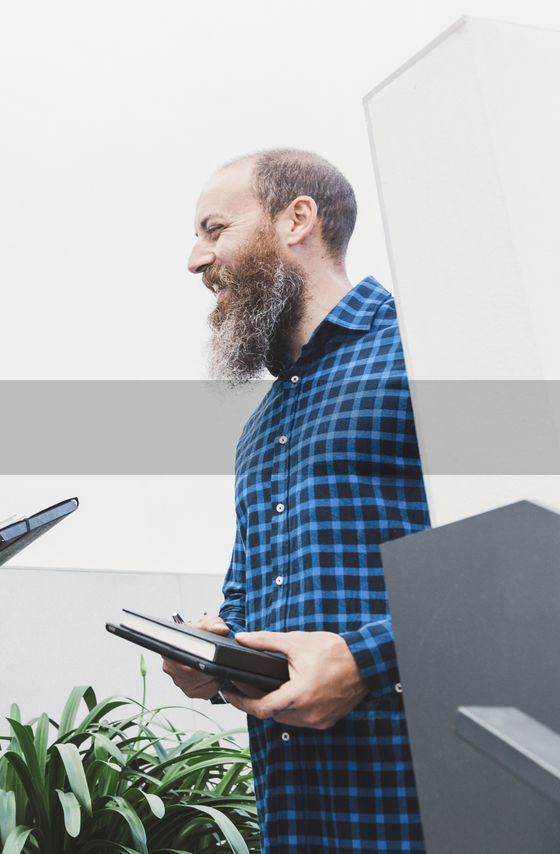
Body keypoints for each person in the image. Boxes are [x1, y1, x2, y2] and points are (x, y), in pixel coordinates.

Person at [164, 149, 431, 852]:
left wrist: (369, 657)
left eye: (214, 229)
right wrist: (217, 651)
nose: (195, 259)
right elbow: (251, 590)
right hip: (297, 806)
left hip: (419, 796)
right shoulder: (262, 425)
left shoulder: (423, 351)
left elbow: (519, 552)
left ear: (297, 219)